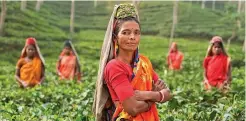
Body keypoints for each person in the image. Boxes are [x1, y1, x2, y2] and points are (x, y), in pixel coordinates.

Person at [93, 4, 171, 121]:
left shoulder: (144, 62)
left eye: (137, 32)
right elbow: (133, 108)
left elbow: (168, 93)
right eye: (125, 33)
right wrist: (155, 98)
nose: (132, 37)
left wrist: (148, 95)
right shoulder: (114, 66)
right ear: (115, 38)